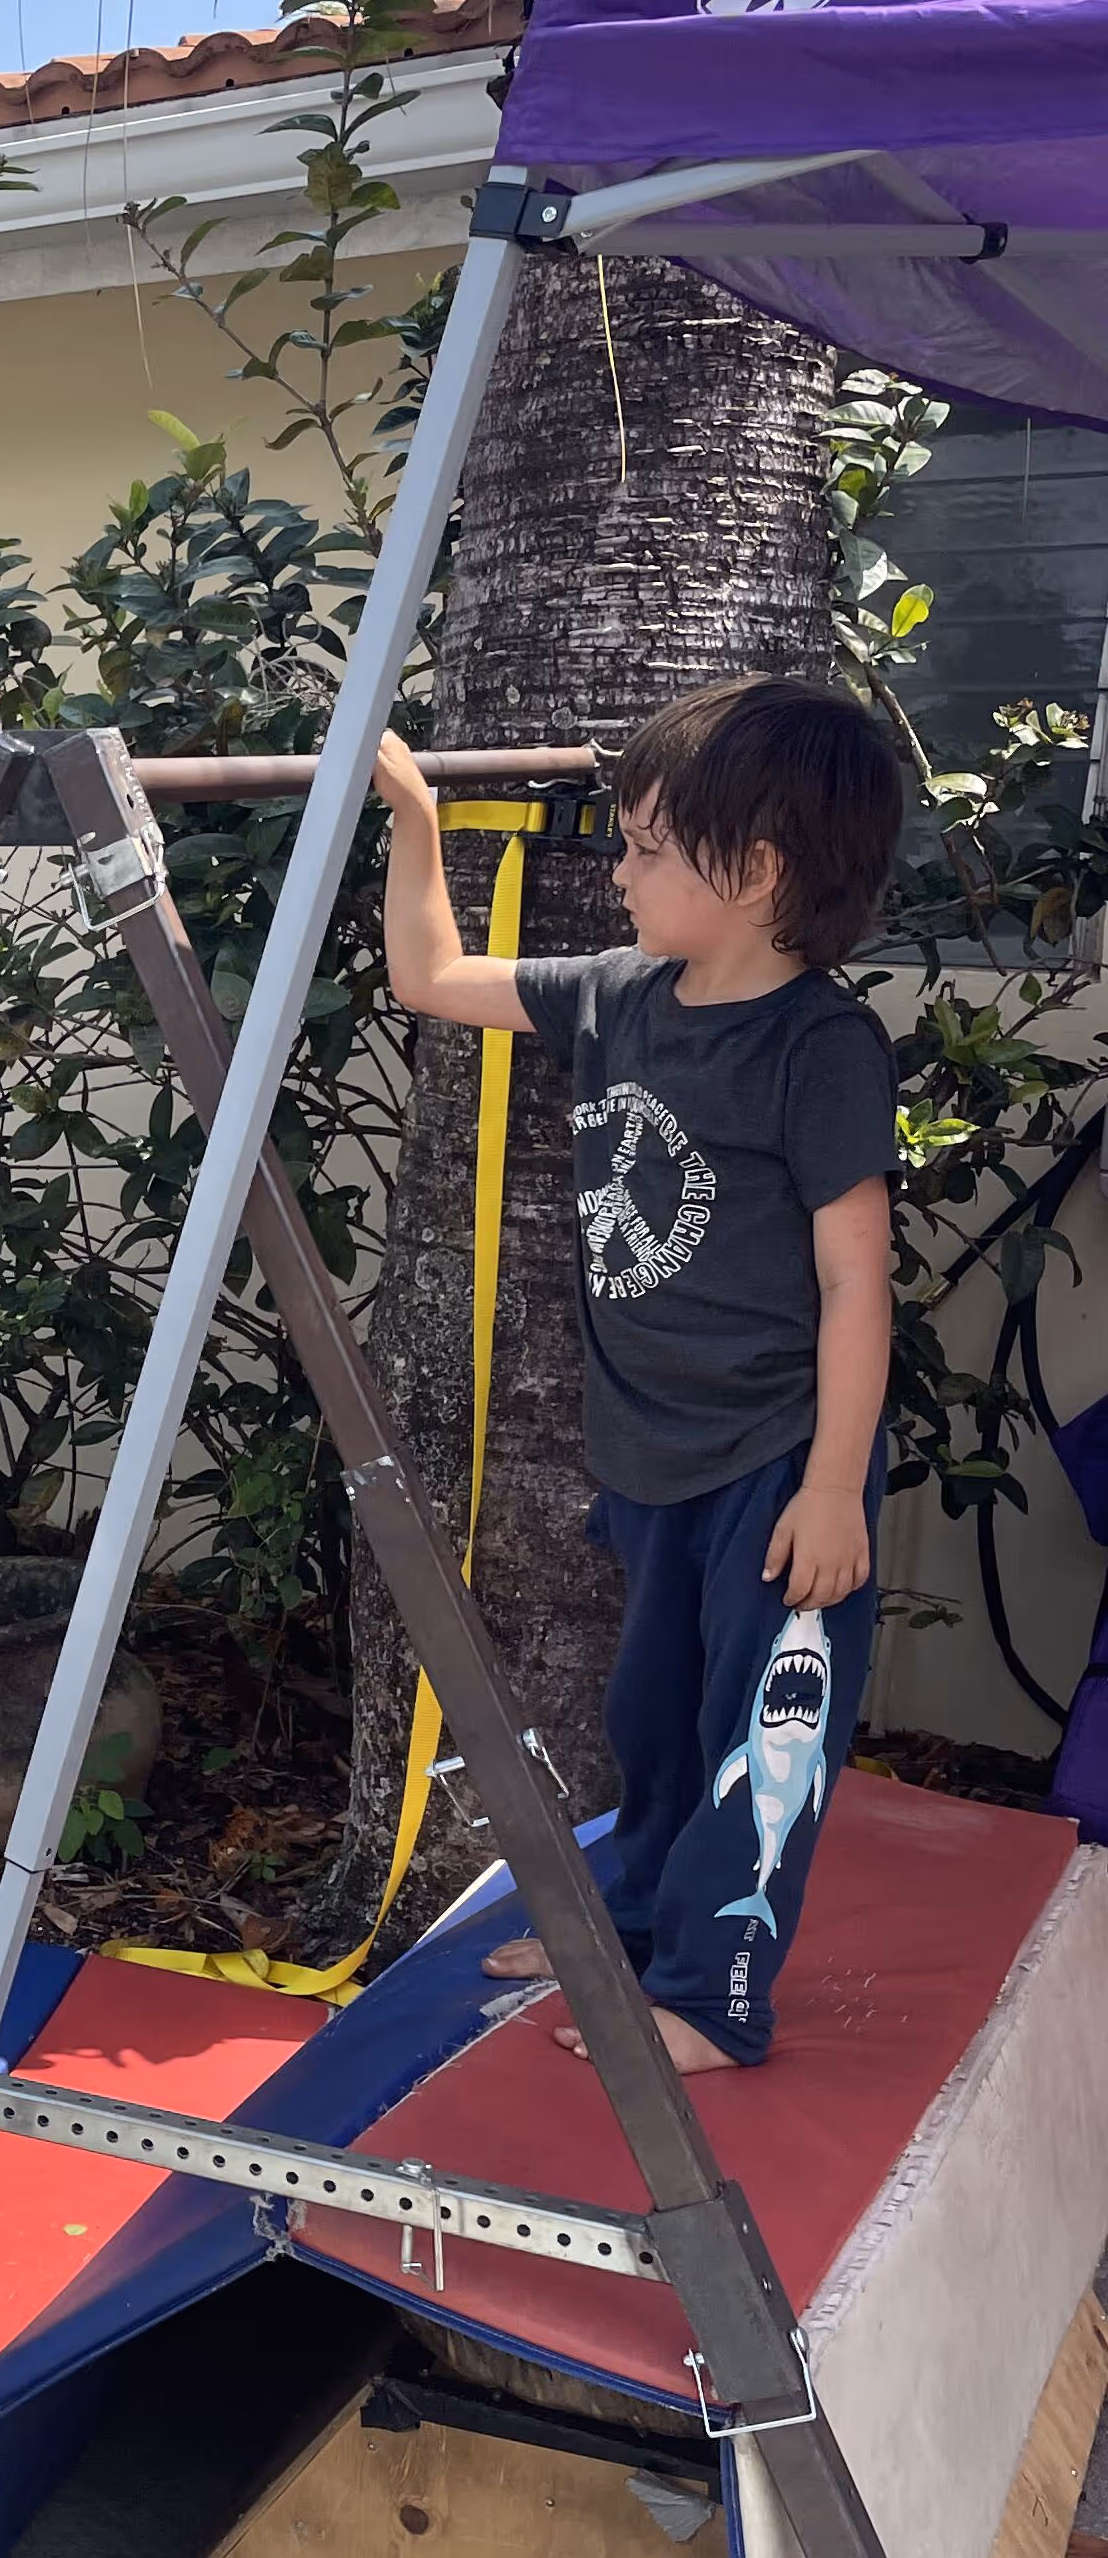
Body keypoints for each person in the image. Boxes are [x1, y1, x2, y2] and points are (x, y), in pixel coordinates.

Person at [372, 677, 907, 2074]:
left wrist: (837, 1488)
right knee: (652, 1724)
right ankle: (630, 1931)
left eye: (648, 846)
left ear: (758, 868)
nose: (618, 870)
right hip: (651, 1454)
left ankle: (716, 1998)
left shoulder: (818, 1047)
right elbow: (430, 977)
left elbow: (858, 1279)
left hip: (783, 1463)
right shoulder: (619, 998)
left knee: (758, 1741)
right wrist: (413, 820)